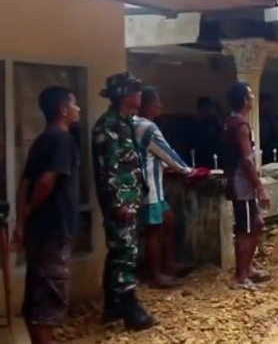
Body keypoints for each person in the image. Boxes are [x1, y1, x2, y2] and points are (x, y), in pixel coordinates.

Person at [12, 86, 80, 344]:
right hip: (53, 229)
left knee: (37, 293)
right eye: (74, 104)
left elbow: (25, 182)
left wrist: (22, 220)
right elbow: (45, 182)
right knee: (49, 298)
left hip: (39, 231)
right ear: (63, 110)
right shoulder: (63, 139)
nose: (78, 109)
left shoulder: (42, 139)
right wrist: (31, 208)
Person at [92, 72, 155, 330]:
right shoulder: (108, 126)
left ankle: (112, 306)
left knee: (119, 252)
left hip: (130, 199)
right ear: (124, 95)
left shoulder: (126, 122)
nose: (140, 95)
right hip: (121, 203)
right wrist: (120, 204)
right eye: (135, 91)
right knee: (126, 253)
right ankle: (131, 309)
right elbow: (109, 170)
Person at [134, 87, 196, 288]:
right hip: (148, 187)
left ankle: (169, 263)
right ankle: (156, 274)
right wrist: (187, 170)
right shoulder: (147, 127)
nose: (160, 106)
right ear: (147, 104)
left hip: (154, 185)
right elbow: (167, 153)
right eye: (157, 102)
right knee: (154, 230)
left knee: (169, 221)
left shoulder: (134, 124)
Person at [221, 82, 271, 290]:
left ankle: (248, 268)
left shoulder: (230, 122)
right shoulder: (241, 126)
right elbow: (247, 160)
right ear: (244, 100)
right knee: (247, 230)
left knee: (256, 224)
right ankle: (241, 277)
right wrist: (259, 187)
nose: (253, 98)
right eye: (250, 95)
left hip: (238, 182)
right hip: (242, 185)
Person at [190, 96, 222, 168]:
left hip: (214, 157)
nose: (211, 111)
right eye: (208, 108)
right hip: (200, 158)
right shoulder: (194, 125)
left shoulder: (215, 122)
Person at [259, 92, 278, 164]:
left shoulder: (271, 119)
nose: (268, 106)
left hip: (269, 151)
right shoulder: (254, 119)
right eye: (266, 104)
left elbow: (277, 134)